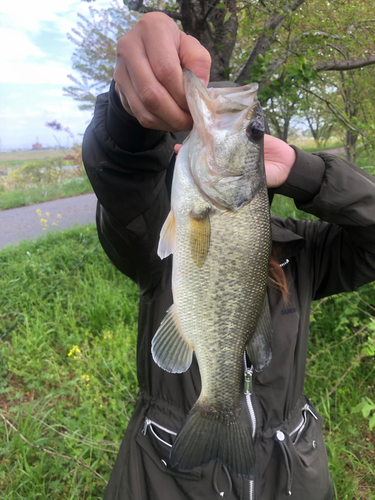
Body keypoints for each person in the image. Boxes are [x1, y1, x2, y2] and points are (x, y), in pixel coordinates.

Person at [82, 12, 375, 500]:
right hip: (166, 479)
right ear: (177, 149)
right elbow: (122, 178)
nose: (234, 127)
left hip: (293, 479)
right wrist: (129, 120)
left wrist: (308, 174)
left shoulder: (303, 250)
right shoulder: (159, 232)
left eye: (250, 132)